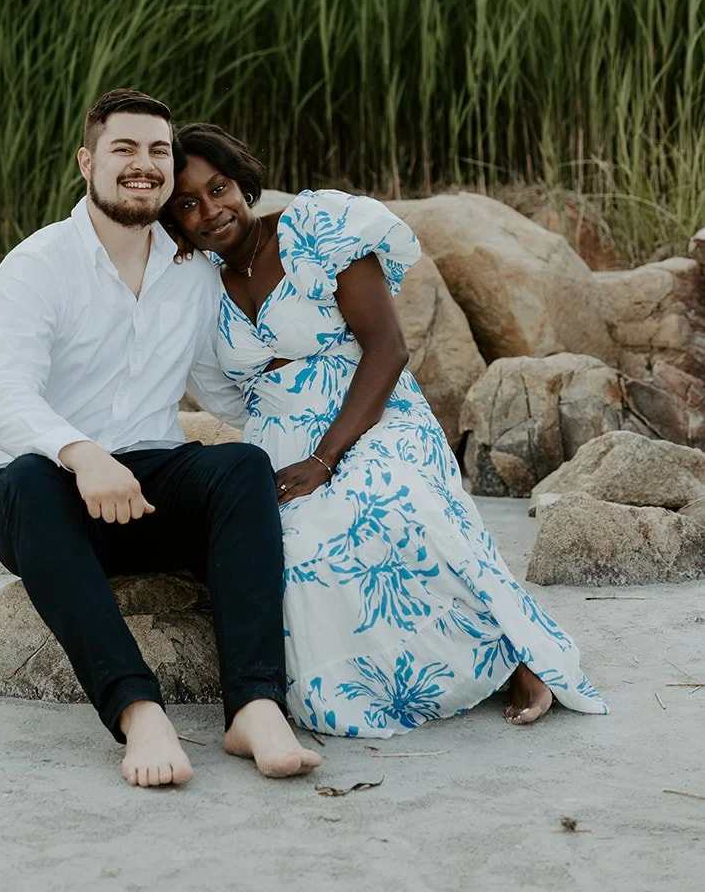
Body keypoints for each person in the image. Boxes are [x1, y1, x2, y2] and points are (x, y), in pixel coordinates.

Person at [165, 123, 609, 739]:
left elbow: (387, 348)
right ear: (174, 221)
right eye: (187, 203)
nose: (210, 209)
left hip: (374, 415)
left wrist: (323, 458)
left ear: (242, 182)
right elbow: (223, 394)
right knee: (294, 548)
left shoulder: (317, 226)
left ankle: (508, 656)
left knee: (385, 502)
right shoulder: (195, 284)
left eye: (219, 188)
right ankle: (377, 684)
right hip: (277, 440)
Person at [0, 88, 322, 788]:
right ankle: (137, 710)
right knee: (25, 478)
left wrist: (319, 426)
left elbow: (219, 391)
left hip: (153, 489)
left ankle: (252, 704)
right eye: (124, 149)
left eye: (157, 151)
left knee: (242, 466)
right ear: (87, 161)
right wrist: (81, 453)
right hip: (53, 502)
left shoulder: (189, 271)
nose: (144, 165)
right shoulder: (39, 264)